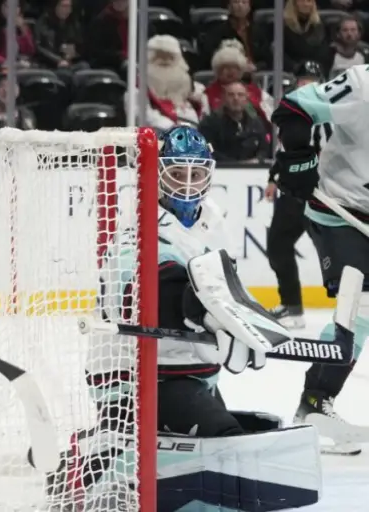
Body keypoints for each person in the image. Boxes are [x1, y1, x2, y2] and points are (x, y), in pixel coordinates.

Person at [47, 127, 320, 510]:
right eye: (177, 174)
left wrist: (242, 320)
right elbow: (151, 290)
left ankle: (105, 445)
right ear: (158, 174)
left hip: (191, 369)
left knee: (244, 437)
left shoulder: (213, 219)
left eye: (197, 174)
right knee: (227, 443)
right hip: (138, 374)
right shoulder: (139, 226)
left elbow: (222, 284)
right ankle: (98, 452)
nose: (188, 185)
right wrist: (205, 316)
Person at [270, 62, 369, 455]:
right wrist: (298, 157)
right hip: (339, 209)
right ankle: (314, 400)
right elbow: (293, 109)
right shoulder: (362, 82)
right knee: (360, 304)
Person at [264, 60, 325, 330]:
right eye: (302, 80)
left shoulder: (326, 115)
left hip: (321, 194)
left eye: (311, 81)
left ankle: (359, 305)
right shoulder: (291, 112)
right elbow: (286, 153)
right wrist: (274, 178)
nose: (306, 85)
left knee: (337, 250)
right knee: (278, 246)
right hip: (291, 193)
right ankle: (292, 306)